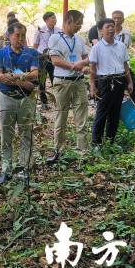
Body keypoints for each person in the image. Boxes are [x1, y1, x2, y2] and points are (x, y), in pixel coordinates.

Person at [0, 22, 39, 184]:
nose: (20, 39)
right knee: (6, 135)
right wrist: (23, 81)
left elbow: (35, 74)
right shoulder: (1, 53)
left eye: (22, 35)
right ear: (9, 36)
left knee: (26, 133)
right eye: (16, 35)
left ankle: (24, 168)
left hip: (26, 99)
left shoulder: (32, 53)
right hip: (6, 98)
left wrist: (13, 77)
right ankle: (6, 169)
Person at [46, 10, 90, 163]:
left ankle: (83, 153)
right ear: (69, 21)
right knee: (61, 118)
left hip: (79, 82)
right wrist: (74, 66)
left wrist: (84, 65)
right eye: (78, 24)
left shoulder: (79, 39)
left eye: (81, 24)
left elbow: (86, 57)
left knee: (82, 118)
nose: (79, 27)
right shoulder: (54, 38)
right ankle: (58, 151)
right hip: (62, 82)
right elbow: (55, 60)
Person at [89, 19, 134, 147]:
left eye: (112, 27)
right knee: (102, 112)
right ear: (101, 30)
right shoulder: (96, 48)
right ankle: (96, 143)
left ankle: (110, 141)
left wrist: (129, 82)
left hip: (119, 80)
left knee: (115, 112)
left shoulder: (121, 46)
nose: (111, 29)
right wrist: (92, 86)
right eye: (108, 27)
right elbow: (92, 69)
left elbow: (125, 65)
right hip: (104, 81)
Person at [112, 10, 135, 113]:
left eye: (119, 18)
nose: (117, 20)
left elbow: (123, 47)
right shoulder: (108, 31)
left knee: (133, 86)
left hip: (123, 64)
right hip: (109, 66)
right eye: (114, 18)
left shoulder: (126, 33)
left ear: (123, 19)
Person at [33, 12, 62, 109]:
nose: (55, 19)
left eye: (55, 17)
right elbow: (35, 45)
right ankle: (44, 102)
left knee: (56, 78)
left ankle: (58, 100)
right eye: (52, 18)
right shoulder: (40, 31)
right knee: (42, 80)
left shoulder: (58, 30)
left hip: (54, 57)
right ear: (46, 20)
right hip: (42, 57)